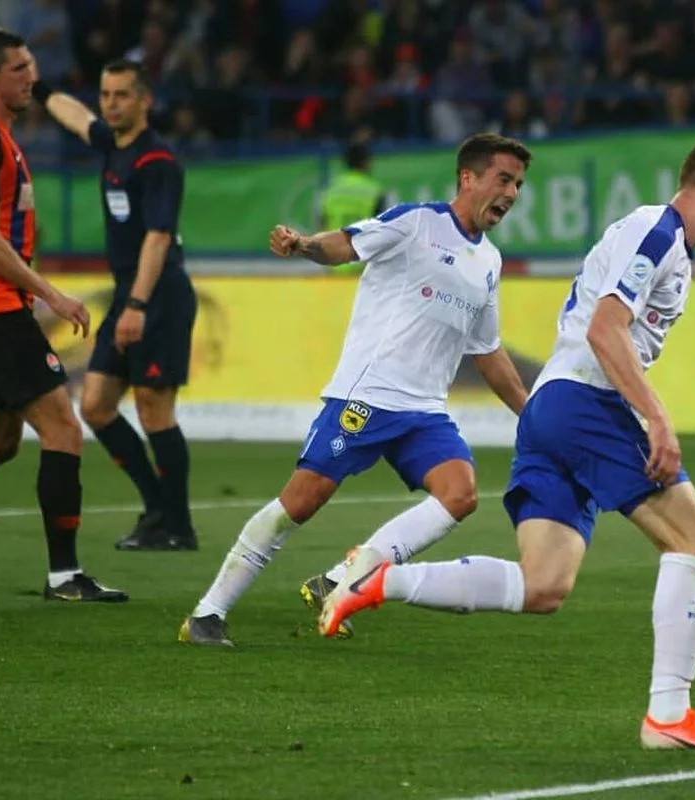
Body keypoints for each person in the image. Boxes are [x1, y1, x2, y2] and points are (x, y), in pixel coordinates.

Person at [320, 131, 695, 752]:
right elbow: (606, 330)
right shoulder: (657, 231)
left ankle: (375, 580)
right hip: (585, 401)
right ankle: (668, 715)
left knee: (543, 585)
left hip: (552, 409)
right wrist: (658, 418)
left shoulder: (671, 247)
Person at [179, 132, 532, 646]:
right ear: (468, 177)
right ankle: (208, 613)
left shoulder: (490, 262)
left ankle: (339, 581)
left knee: (460, 494)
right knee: (299, 504)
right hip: (366, 398)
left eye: (518, 184)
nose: (512, 193)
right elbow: (344, 244)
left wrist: (530, 413)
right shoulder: (417, 223)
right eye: (504, 179)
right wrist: (304, 244)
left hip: (424, 412)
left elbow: (487, 350)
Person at [0, 28, 126, 601]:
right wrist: (52, 295)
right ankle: (65, 575)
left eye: (31, 66)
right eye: (18, 69)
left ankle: (65, 574)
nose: (30, 77)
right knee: (63, 429)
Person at [34, 60, 199, 552]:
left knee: (154, 410)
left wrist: (137, 305)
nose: (110, 104)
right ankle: (157, 507)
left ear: (145, 100)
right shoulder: (111, 144)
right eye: (105, 94)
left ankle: (178, 527)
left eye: (122, 95)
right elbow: (75, 116)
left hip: (158, 296)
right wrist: (37, 87)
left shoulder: (157, 162)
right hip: (131, 294)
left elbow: (158, 237)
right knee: (96, 405)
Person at [320, 139, 387, 276]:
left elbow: (322, 226)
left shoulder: (331, 189)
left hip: (334, 267)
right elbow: (383, 233)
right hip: (363, 270)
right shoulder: (374, 190)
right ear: (365, 162)